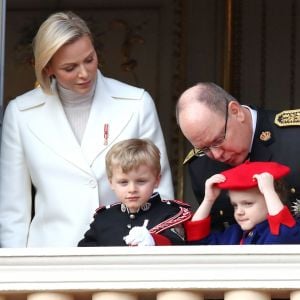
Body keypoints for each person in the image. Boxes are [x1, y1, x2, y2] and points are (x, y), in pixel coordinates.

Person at [0, 11, 174, 248]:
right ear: (47, 67)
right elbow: (13, 210)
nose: (84, 73)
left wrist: (156, 248)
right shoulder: (21, 113)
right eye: (70, 68)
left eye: (89, 60)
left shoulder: (136, 103)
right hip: (50, 257)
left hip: (124, 253)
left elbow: (160, 192)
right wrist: (14, 275)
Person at [176, 82, 300, 231]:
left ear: (236, 112)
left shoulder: (294, 137)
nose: (216, 154)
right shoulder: (200, 166)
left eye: (218, 140)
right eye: (204, 148)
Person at [78, 138, 192, 246]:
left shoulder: (170, 214)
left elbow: (178, 248)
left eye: (141, 181)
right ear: (111, 183)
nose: (132, 189)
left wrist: (154, 240)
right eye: (123, 182)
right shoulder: (103, 219)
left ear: (157, 180)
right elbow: (84, 256)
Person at [185, 161, 300, 245]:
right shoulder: (234, 233)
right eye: (235, 205)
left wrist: (268, 191)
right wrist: (208, 200)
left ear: (274, 198)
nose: (239, 212)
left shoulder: (277, 231)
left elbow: (285, 234)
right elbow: (198, 241)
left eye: (248, 203)